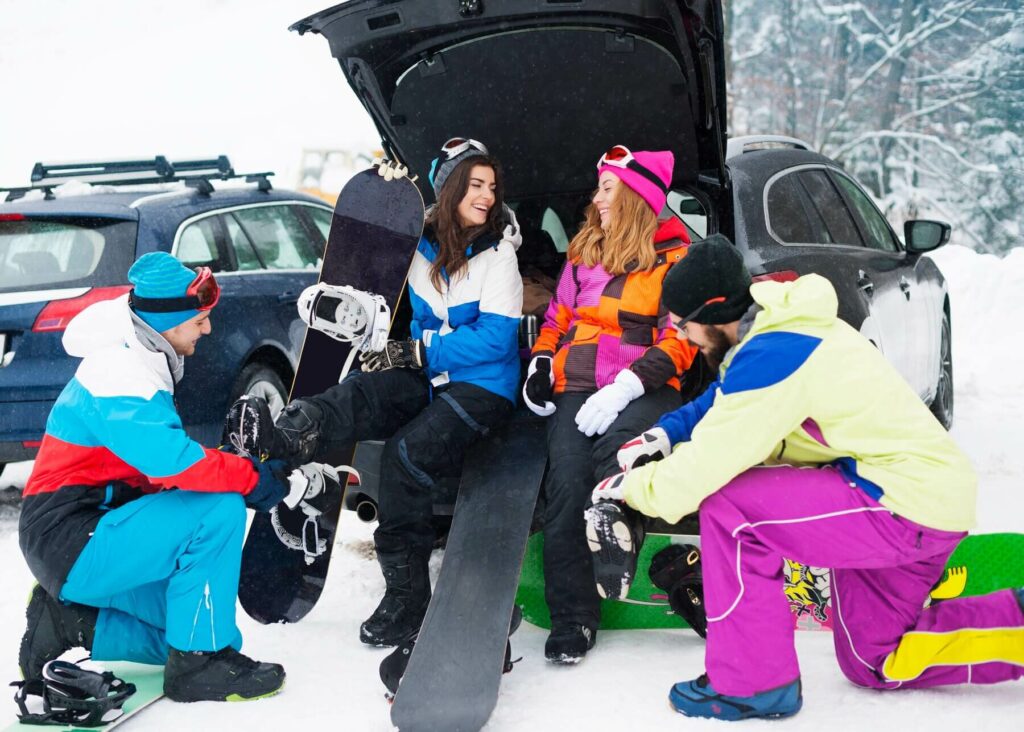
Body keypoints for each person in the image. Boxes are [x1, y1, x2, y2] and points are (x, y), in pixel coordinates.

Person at [592, 235, 1024, 720]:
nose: (684, 335)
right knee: (874, 661)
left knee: (733, 511)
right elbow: (727, 397)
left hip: (900, 498)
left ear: (713, 313)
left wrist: (629, 490)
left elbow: (703, 470)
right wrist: (665, 435)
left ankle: (753, 683)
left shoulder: (777, 351)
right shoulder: (778, 332)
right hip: (919, 498)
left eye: (684, 323)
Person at [234, 138, 523, 648]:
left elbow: (495, 340)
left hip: (483, 388)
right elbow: (369, 266)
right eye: (475, 185)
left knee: (406, 455)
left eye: (492, 188)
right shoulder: (421, 247)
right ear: (449, 188)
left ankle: (407, 600)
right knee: (361, 392)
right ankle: (286, 434)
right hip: (431, 377)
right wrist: (389, 202)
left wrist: (419, 351)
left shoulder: (499, 254)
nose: (486, 196)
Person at [18, 252, 291, 702]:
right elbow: (174, 464)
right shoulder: (119, 373)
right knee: (219, 507)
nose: (208, 329)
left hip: (94, 534)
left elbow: (158, 465)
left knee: (194, 623)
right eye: (200, 319)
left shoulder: (141, 357)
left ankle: (71, 621)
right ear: (170, 320)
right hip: (71, 539)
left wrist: (231, 466)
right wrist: (249, 478)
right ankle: (197, 668)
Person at [521, 145, 697, 664]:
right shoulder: (582, 254)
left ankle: (616, 551)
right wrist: (541, 363)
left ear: (638, 197)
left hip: (642, 387)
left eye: (607, 188)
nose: (597, 199)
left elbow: (682, 338)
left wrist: (628, 385)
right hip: (574, 386)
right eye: (599, 188)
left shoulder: (675, 259)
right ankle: (574, 618)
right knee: (567, 484)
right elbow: (556, 320)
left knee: (615, 464)